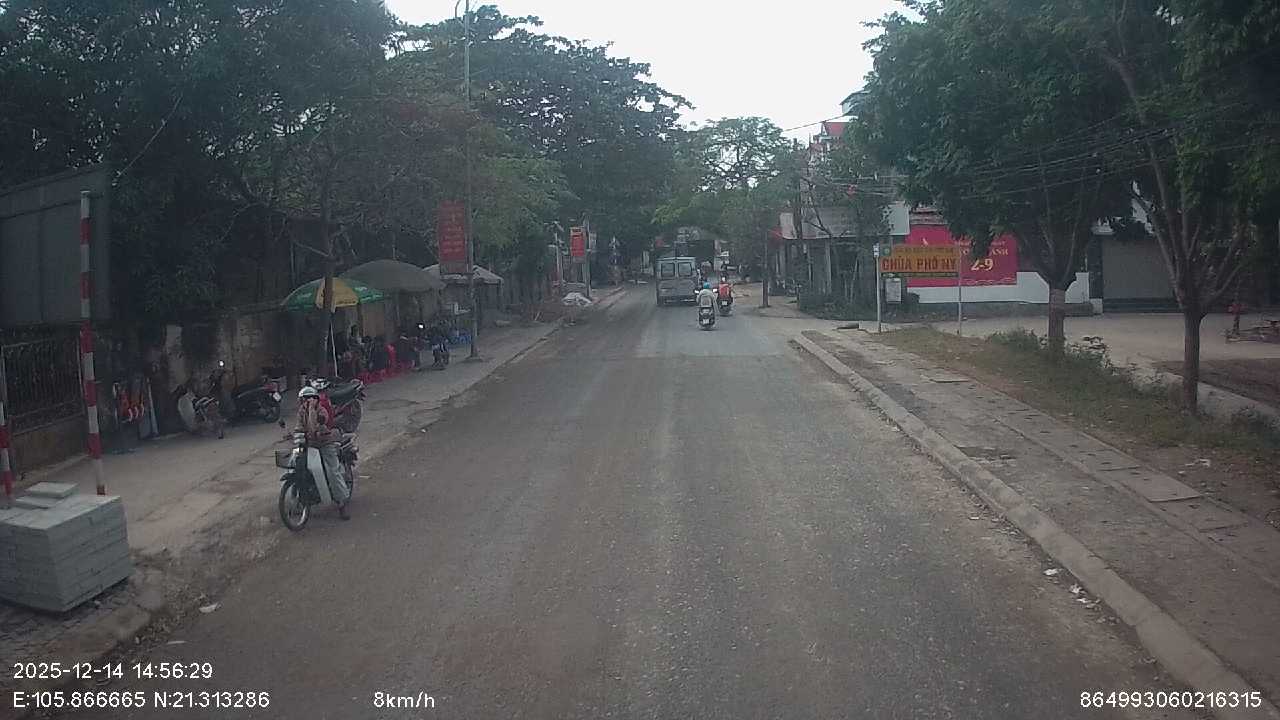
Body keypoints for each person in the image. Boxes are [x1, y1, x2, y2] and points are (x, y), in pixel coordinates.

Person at [294, 385, 350, 519]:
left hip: (325, 444)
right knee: (298, 467)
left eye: (309, 399)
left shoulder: (321, 410)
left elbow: (319, 423)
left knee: (332, 472)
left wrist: (312, 411)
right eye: (304, 399)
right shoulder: (301, 411)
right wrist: (296, 434)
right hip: (309, 444)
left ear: (315, 399)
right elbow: (299, 426)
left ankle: (341, 503)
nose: (306, 402)